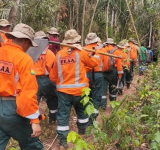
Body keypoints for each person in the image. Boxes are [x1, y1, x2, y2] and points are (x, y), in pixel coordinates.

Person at [49, 29, 99, 150]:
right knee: (82, 113)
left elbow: (52, 76)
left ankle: (62, 142)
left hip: (63, 93)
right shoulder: (81, 53)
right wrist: (95, 55)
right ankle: (82, 133)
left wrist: (62, 83)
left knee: (63, 116)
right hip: (80, 91)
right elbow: (94, 64)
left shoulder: (59, 55)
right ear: (76, 40)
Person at [0, 23, 44, 150]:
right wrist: (34, 120)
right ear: (26, 42)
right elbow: (27, 92)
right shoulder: (24, 59)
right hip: (12, 109)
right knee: (32, 144)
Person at [33, 31, 58, 124]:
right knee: (52, 99)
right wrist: (54, 82)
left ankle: (33, 121)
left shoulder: (31, 52)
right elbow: (53, 69)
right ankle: (52, 119)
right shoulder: (48, 53)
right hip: (46, 80)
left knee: (34, 101)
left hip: (33, 79)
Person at [84, 33, 107, 124]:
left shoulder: (83, 49)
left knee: (86, 96)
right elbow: (106, 64)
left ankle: (85, 116)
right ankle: (92, 118)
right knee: (96, 96)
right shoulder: (101, 50)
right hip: (98, 75)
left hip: (85, 75)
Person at [101, 38, 123, 110]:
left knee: (103, 89)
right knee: (113, 88)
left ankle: (103, 106)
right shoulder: (117, 51)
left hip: (104, 72)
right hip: (113, 71)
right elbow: (119, 65)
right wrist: (120, 75)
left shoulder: (103, 50)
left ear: (106, 43)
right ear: (113, 44)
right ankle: (113, 105)